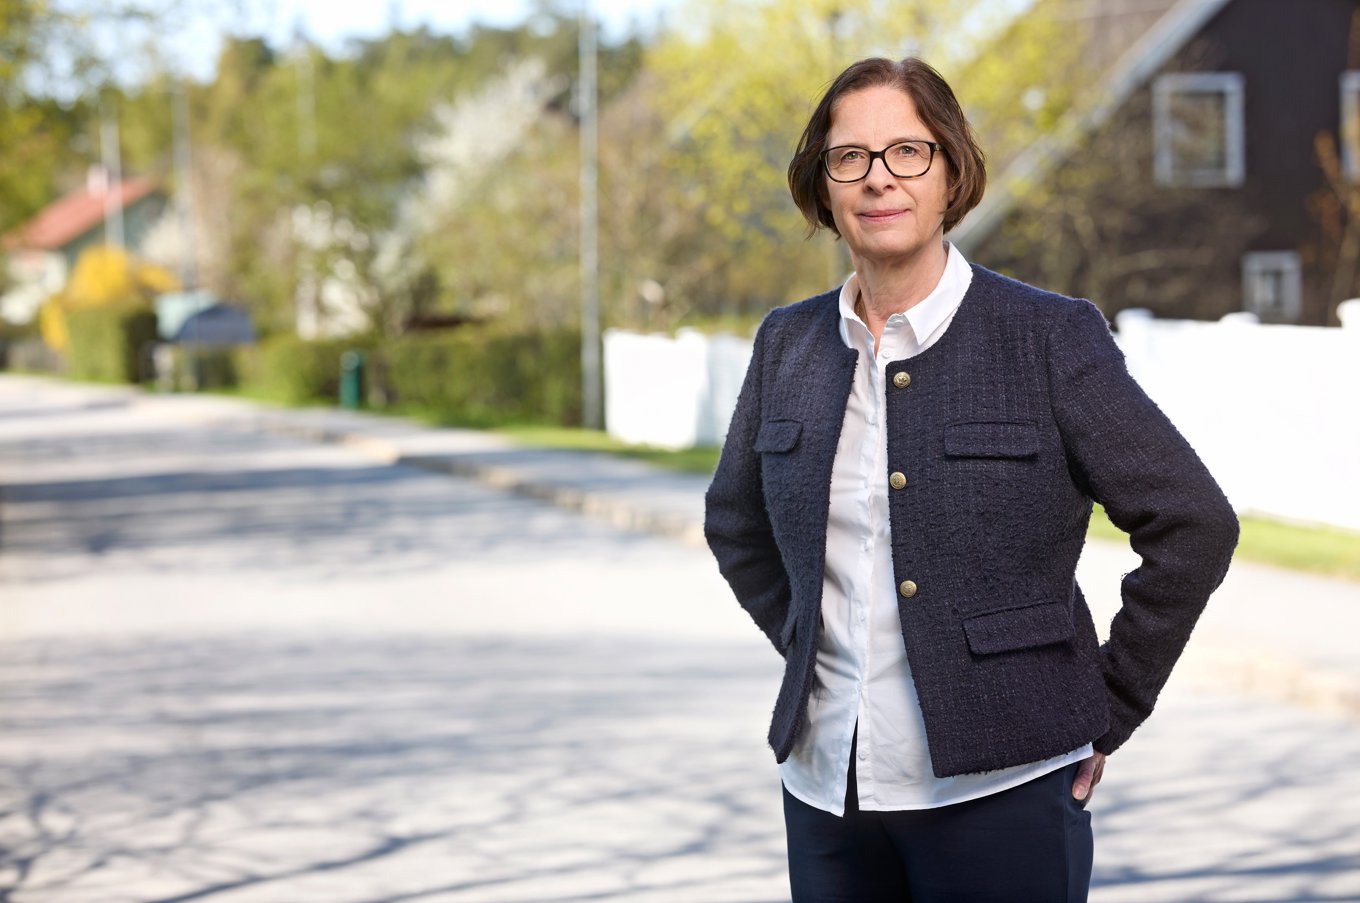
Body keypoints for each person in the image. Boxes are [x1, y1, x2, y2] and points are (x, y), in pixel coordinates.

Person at [703, 57, 1239, 902]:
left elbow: (1192, 521)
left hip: (1006, 792)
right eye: (851, 157)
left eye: (908, 152)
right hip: (825, 792)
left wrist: (1111, 703)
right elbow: (734, 523)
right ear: (823, 184)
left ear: (951, 170)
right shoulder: (789, 344)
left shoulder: (1048, 337)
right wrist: (814, 645)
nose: (879, 178)